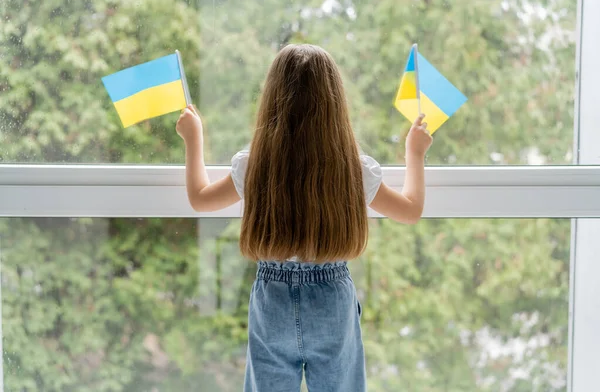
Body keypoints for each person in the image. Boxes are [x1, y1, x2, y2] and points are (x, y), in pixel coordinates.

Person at [176, 44, 432, 392]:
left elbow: (200, 199)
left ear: (272, 100)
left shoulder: (254, 166)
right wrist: (414, 153)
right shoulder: (354, 170)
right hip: (332, 300)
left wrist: (194, 138)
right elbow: (411, 209)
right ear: (334, 105)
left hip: (272, 299)